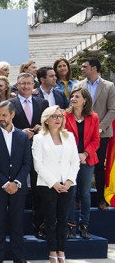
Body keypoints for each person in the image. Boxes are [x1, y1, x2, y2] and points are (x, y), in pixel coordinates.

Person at [0, 100, 32, 263]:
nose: (1, 118)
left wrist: (16, 182)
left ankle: (19, 257)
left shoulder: (22, 136)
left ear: (12, 114)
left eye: (4, 115)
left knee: (17, 223)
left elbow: (27, 162)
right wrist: (5, 183)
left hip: (18, 188)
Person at [32, 106, 80, 263]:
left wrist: (69, 181)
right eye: (54, 116)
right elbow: (38, 165)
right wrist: (54, 183)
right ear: (46, 119)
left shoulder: (69, 136)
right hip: (47, 185)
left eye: (60, 116)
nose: (58, 119)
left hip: (68, 185)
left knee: (64, 218)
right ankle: (52, 250)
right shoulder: (39, 138)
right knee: (51, 220)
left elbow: (75, 161)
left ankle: (62, 251)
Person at [9, 72, 49, 239]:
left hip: (38, 152)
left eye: (28, 83)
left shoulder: (43, 103)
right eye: (22, 83)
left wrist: (43, 129)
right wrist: (19, 133)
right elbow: (3, 127)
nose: (26, 86)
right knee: (16, 190)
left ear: (34, 85)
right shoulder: (9, 103)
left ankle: (39, 225)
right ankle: (14, 228)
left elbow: (51, 126)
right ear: (17, 86)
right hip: (16, 152)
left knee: (39, 190)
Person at [73, 57, 115, 210]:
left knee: (98, 166)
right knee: (77, 164)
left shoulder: (109, 86)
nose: (82, 69)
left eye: (84, 66)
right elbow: (73, 108)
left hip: (102, 133)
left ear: (94, 68)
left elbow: (112, 109)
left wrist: (99, 128)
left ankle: (101, 199)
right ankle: (76, 199)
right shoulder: (78, 86)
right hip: (80, 133)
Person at [64, 88, 100, 239]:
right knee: (71, 193)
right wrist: (75, 156)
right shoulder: (65, 115)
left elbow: (96, 140)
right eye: (72, 96)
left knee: (85, 193)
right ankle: (70, 226)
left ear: (85, 100)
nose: (73, 98)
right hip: (69, 160)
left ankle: (84, 225)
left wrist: (85, 154)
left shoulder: (93, 117)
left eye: (77, 96)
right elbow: (62, 137)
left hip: (87, 159)